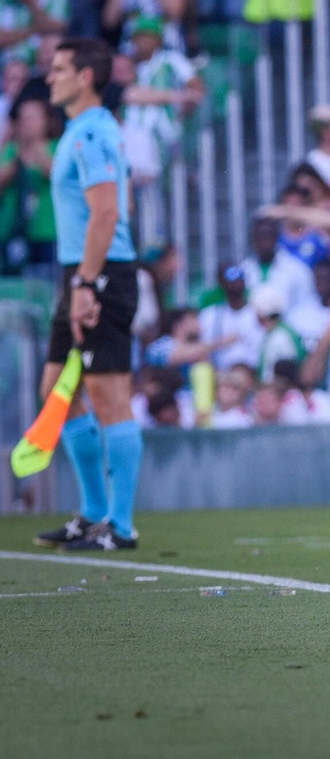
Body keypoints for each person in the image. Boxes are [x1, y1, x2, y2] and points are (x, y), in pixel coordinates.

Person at [33, 39, 143, 552]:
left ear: (85, 77)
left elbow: (107, 213)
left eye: (58, 69)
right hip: (81, 271)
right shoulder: (82, 132)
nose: (49, 77)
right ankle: (95, 512)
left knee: (108, 397)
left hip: (99, 275)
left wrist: (86, 282)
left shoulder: (93, 132)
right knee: (58, 391)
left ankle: (120, 526)